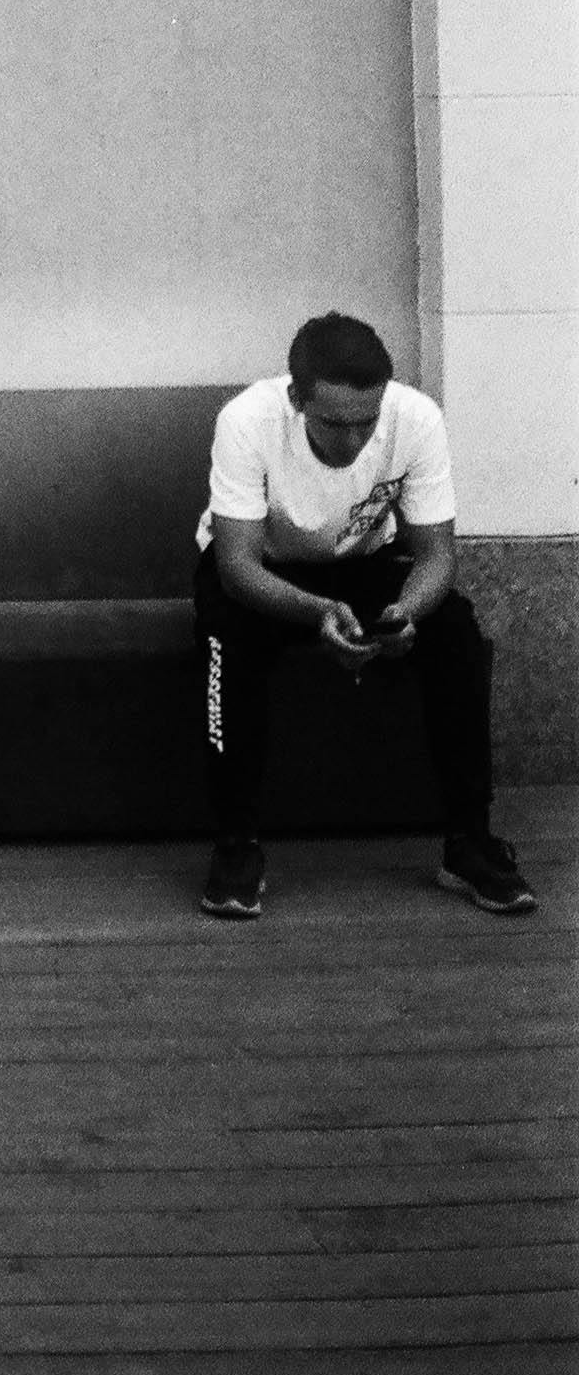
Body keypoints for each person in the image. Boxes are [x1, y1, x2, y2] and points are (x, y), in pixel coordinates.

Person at [195, 311, 534, 920]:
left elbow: (435, 556)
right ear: (297, 398)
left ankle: (469, 841)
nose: (353, 441)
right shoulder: (247, 420)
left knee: (454, 630)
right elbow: (236, 567)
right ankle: (236, 845)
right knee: (229, 640)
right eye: (333, 423)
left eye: (366, 422)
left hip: (358, 564)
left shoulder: (416, 419)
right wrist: (318, 612)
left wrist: (405, 613)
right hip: (264, 573)